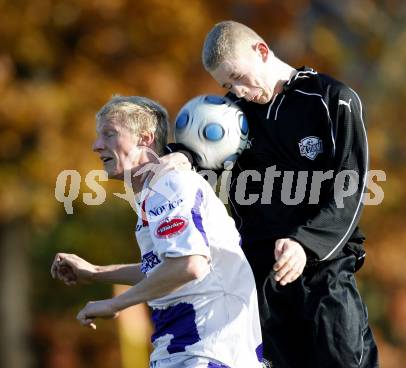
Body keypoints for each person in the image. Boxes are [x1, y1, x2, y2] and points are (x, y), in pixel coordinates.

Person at [193, 21, 379, 367]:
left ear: (262, 51)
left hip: (323, 271)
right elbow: (200, 156)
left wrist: (305, 243)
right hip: (262, 279)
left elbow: (349, 190)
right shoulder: (233, 115)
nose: (238, 90)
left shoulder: (331, 100)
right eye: (226, 84)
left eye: (238, 77)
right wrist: (179, 156)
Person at [50, 95, 263, 368]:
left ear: (145, 138)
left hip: (206, 352)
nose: (96, 145)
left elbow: (190, 265)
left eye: (110, 134)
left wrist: (115, 304)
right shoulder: (156, 191)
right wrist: (96, 273)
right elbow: (165, 268)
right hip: (185, 349)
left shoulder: (171, 185)